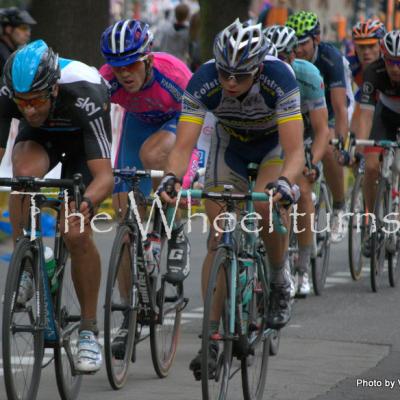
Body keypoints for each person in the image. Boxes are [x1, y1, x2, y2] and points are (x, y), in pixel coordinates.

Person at [158, 19, 304, 377]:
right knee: (218, 237)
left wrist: (284, 183)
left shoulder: (279, 77)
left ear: (258, 66)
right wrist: (172, 179)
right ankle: (209, 338)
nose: (231, 82)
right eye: (226, 74)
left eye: (240, 75)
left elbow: (295, 150)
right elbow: (183, 145)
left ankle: (277, 275)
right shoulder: (204, 80)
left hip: (272, 148)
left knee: (263, 205)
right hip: (230, 147)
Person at [0, 40, 114, 373]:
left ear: (53, 88)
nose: (29, 110)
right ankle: (30, 258)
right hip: (41, 139)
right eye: (23, 103)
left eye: (36, 100)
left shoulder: (84, 89)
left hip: (83, 144)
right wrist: (27, 106)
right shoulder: (10, 94)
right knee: (22, 177)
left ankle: (89, 331)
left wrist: (86, 204)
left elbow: (104, 177)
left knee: (75, 232)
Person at [264, 25, 329, 297]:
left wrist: (311, 162)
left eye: (285, 56)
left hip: (305, 133)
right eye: (273, 56)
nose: (279, 63)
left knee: (301, 190)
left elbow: (322, 129)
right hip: (273, 136)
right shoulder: (263, 75)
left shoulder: (308, 75)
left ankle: (302, 269)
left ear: (294, 56)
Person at [286, 11, 354, 244]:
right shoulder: (288, 59)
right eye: (294, 44)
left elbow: (339, 105)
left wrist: (342, 144)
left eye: (303, 43)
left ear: (316, 39)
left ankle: (339, 206)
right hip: (303, 111)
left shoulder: (330, 58)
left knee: (328, 148)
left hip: (332, 110)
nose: (298, 49)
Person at [355, 30, 400, 256]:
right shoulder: (374, 71)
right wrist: (362, 149)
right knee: (371, 167)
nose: (395, 68)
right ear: (383, 56)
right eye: (390, 61)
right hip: (385, 116)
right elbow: (365, 115)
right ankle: (371, 223)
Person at [347, 19, 386, 139]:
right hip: (367, 95)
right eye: (361, 47)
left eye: (371, 45)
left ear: (381, 45)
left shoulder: (391, 62)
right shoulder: (350, 63)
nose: (366, 52)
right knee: (356, 127)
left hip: (390, 99)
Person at [0, 7, 36, 74]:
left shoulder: (10, 52)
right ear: (9, 29)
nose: (28, 33)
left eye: (29, 29)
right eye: (23, 28)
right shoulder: (2, 53)